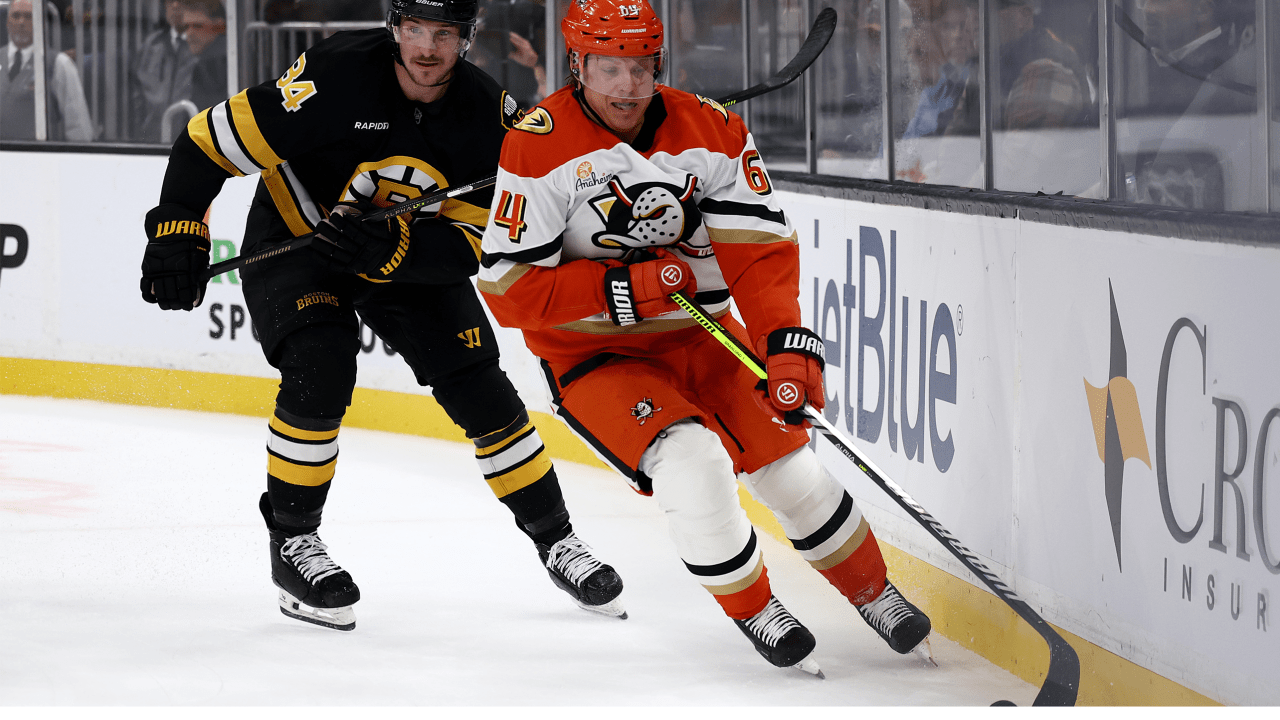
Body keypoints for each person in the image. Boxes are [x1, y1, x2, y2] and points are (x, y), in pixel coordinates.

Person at [137, 0, 624, 632]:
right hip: (300, 241)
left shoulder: (489, 117)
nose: (427, 48)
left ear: (466, 38)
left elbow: (477, 241)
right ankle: (293, 541)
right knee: (320, 365)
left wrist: (396, 249)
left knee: (481, 387)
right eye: (415, 30)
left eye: (443, 33)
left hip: (406, 256)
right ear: (395, 28)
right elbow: (207, 142)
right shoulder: (333, 77)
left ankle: (557, 540)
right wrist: (178, 228)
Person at [478, 0, 932, 674]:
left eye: (641, 67)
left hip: (705, 334)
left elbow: (759, 251)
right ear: (577, 65)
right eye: (609, 69)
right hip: (596, 354)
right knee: (692, 462)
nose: (628, 86)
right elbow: (509, 291)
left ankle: (875, 592)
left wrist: (783, 341)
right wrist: (619, 289)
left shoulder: (712, 130)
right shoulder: (539, 142)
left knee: (791, 467)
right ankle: (757, 609)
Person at [1, 0, 93, 141]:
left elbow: (78, 126)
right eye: (16, 16)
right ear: (7, 22)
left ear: (41, 23)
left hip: (39, 153)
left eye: (29, 16)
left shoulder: (59, 64)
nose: (21, 22)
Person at [994, 0, 1089, 130]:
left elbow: (1026, 141)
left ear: (1024, 15)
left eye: (991, 7)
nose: (975, 21)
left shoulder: (1046, 68)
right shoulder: (1000, 60)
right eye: (970, 10)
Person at [130, 0, 196, 142]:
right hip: (152, 142)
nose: (175, 5)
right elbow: (136, 94)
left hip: (194, 144)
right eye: (169, 1)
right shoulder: (151, 45)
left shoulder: (206, 44)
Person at [179, 0, 228, 113]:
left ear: (219, 26)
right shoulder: (196, 61)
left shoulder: (215, 64)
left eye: (197, 26)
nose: (189, 33)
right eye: (186, 27)